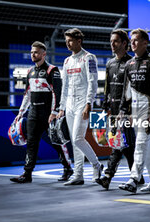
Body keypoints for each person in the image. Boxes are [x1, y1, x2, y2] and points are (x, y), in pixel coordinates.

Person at [10, 41, 73, 183]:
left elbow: (57, 93)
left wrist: (54, 112)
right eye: (32, 52)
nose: (33, 54)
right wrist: (21, 112)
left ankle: (68, 168)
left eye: (36, 52)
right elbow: (27, 94)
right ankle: (27, 174)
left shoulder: (52, 70)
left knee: (56, 141)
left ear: (44, 54)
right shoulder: (30, 72)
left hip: (48, 113)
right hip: (33, 113)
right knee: (31, 143)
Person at [96, 29, 144, 190]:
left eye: (115, 41)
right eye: (111, 41)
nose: (112, 44)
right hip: (114, 110)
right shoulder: (110, 63)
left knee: (119, 144)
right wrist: (104, 107)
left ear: (125, 43)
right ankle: (138, 177)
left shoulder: (132, 62)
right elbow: (107, 87)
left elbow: (134, 90)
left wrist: (128, 111)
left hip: (128, 112)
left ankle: (107, 176)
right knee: (126, 145)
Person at [118, 28, 150, 193]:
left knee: (140, 143)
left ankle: (133, 179)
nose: (132, 43)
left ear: (145, 42)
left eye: (136, 40)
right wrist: (124, 111)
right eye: (131, 40)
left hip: (149, 109)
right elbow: (126, 90)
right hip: (134, 111)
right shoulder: (129, 64)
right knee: (147, 145)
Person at [57, 28, 103, 185]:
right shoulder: (67, 61)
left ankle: (97, 165)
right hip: (69, 104)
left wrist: (89, 103)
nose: (68, 44)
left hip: (82, 103)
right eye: (66, 41)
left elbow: (93, 82)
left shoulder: (89, 57)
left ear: (79, 41)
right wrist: (61, 107)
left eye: (70, 40)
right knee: (74, 140)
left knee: (77, 139)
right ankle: (78, 175)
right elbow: (65, 86)